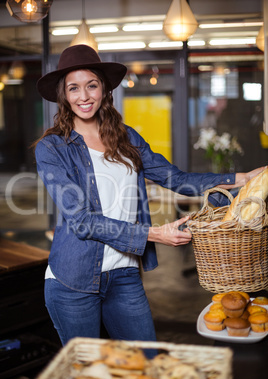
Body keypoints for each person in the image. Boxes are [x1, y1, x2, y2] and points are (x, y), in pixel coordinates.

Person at [34, 44, 265, 350]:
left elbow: (177, 179)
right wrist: (156, 234)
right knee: (87, 371)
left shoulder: (126, 137)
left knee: (147, 360)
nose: (84, 96)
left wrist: (244, 178)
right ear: (64, 95)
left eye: (91, 85)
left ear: (104, 89)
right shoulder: (52, 148)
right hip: (73, 281)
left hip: (125, 274)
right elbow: (81, 221)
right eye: (73, 88)